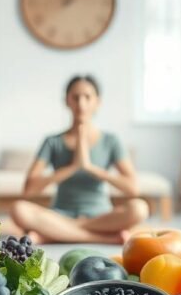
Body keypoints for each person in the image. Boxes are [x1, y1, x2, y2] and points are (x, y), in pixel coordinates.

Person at [8, 75, 148, 244]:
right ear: (67, 101)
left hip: (101, 217)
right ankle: (101, 238)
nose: (81, 104)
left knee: (140, 208)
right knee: (18, 209)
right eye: (75, 97)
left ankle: (54, 234)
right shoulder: (52, 141)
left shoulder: (111, 140)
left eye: (87, 97)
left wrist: (89, 167)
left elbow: (133, 188)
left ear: (97, 102)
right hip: (59, 214)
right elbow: (29, 189)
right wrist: (73, 167)